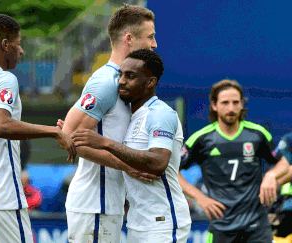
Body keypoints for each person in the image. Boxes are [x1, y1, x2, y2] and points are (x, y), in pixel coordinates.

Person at [0, 14, 76, 243]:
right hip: (1, 198)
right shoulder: (4, 78)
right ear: (5, 45)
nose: (21, 51)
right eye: (19, 44)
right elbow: (1, 125)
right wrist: (54, 131)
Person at [71, 49, 191, 242]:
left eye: (130, 76)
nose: (121, 81)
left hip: (164, 222)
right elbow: (125, 153)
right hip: (137, 221)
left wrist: (104, 142)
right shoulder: (131, 116)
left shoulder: (160, 114)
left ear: (151, 82)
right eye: (121, 74)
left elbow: (158, 162)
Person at [61, 4, 158, 243]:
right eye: (150, 36)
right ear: (129, 39)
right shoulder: (107, 81)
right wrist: (128, 166)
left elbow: (71, 129)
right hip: (95, 203)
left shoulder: (123, 82)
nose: (155, 44)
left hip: (108, 203)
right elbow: (68, 136)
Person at [178, 79, 290, 243]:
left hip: (257, 226)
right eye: (225, 103)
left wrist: (271, 175)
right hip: (221, 228)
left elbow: (284, 163)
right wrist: (199, 197)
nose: (231, 108)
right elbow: (172, 171)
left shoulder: (257, 134)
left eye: (235, 102)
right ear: (214, 105)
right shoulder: (201, 139)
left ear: (242, 104)